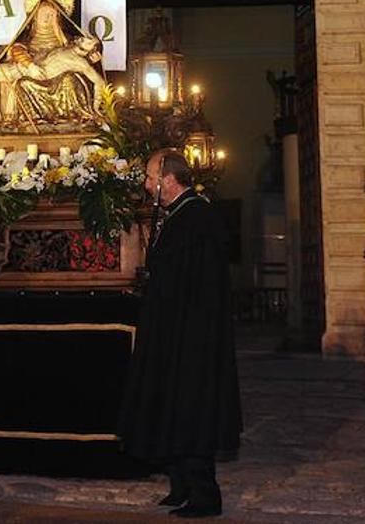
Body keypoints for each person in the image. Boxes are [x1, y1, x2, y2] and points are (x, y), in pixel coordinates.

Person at [119, 150, 241, 519]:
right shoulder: (180, 215)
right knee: (171, 405)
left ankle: (205, 495)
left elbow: (193, 281)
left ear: (168, 180)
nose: (146, 184)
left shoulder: (197, 217)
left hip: (192, 336)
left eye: (150, 177)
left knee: (191, 409)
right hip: (175, 330)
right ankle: (181, 484)